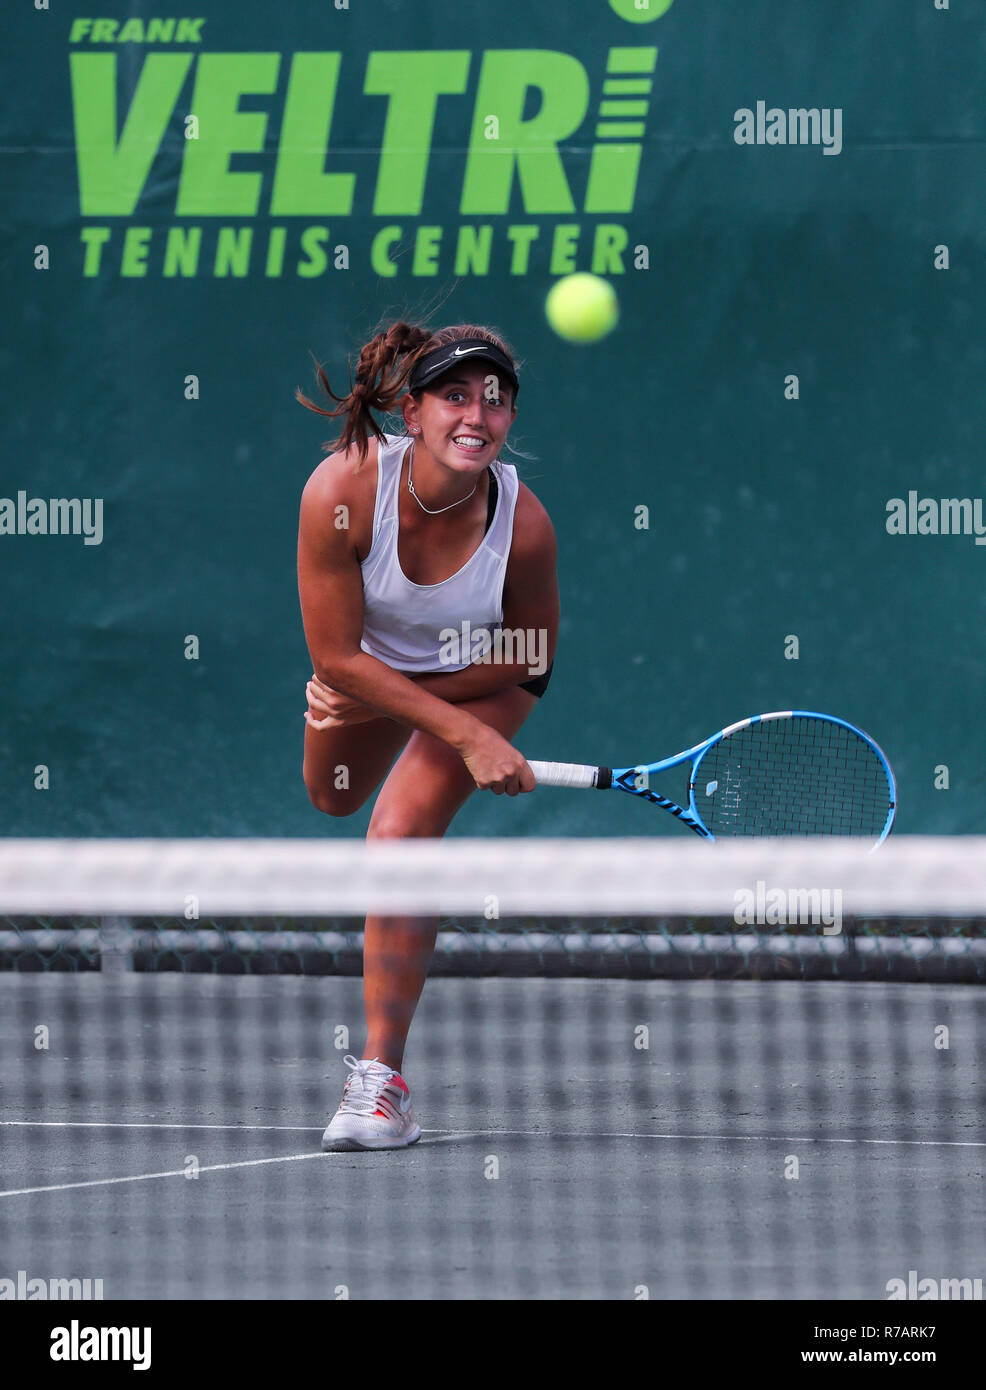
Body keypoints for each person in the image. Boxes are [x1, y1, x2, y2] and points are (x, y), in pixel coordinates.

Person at [296, 320, 560, 1151]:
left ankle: (380, 1082)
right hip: (367, 676)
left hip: (487, 677)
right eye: (455, 395)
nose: (478, 415)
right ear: (410, 412)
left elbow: (533, 657)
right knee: (331, 797)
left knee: (399, 833)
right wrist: (412, 714)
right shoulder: (340, 491)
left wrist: (467, 728)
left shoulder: (524, 527)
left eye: (497, 399)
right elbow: (335, 656)